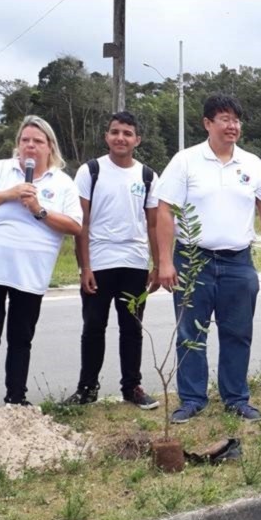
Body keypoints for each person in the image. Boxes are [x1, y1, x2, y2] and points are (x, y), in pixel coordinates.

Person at [155, 94, 261, 423]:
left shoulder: (252, 164)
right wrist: (165, 262)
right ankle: (192, 399)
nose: (232, 126)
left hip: (238, 262)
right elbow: (165, 211)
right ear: (207, 123)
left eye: (236, 120)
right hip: (192, 260)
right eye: (225, 119)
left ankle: (236, 398)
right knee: (190, 333)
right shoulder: (185, 161)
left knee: (237, 332)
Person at [0, 115, 83, 415]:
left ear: (50, 146)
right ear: (18, 144)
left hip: (30, 272)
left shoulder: (62, 182)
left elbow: (75, 225)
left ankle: (16, 399)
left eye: (37, 141)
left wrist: (39, 209)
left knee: (21, 338)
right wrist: (9, 193)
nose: (30, 146)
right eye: (25, 140)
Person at [67, 111, 160, 410]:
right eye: (115, 132)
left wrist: (158, 265)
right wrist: (84, 267)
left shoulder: (147, 176)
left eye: (127, 133)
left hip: (134, 263)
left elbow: (153, 225)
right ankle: (86, 388)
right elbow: (81, 223)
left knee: (132, 328)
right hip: (99, 262)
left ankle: (132, 387)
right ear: (106, 136)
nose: (121, 138)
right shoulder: (90, 171)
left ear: (137, 140)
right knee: (93, 326)